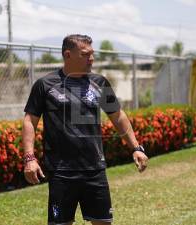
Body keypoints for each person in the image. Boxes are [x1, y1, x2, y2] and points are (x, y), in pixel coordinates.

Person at [22, 34, 148, 225]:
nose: (92, 58)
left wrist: (136, 148)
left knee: (103, 222)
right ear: (68, 55)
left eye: (92, 54)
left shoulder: (99, 82)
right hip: (61, 171)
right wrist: (30, 158)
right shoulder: (45, 85)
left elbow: (118, 116)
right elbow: (30, 121)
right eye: (85, 54)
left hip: (95, 169)